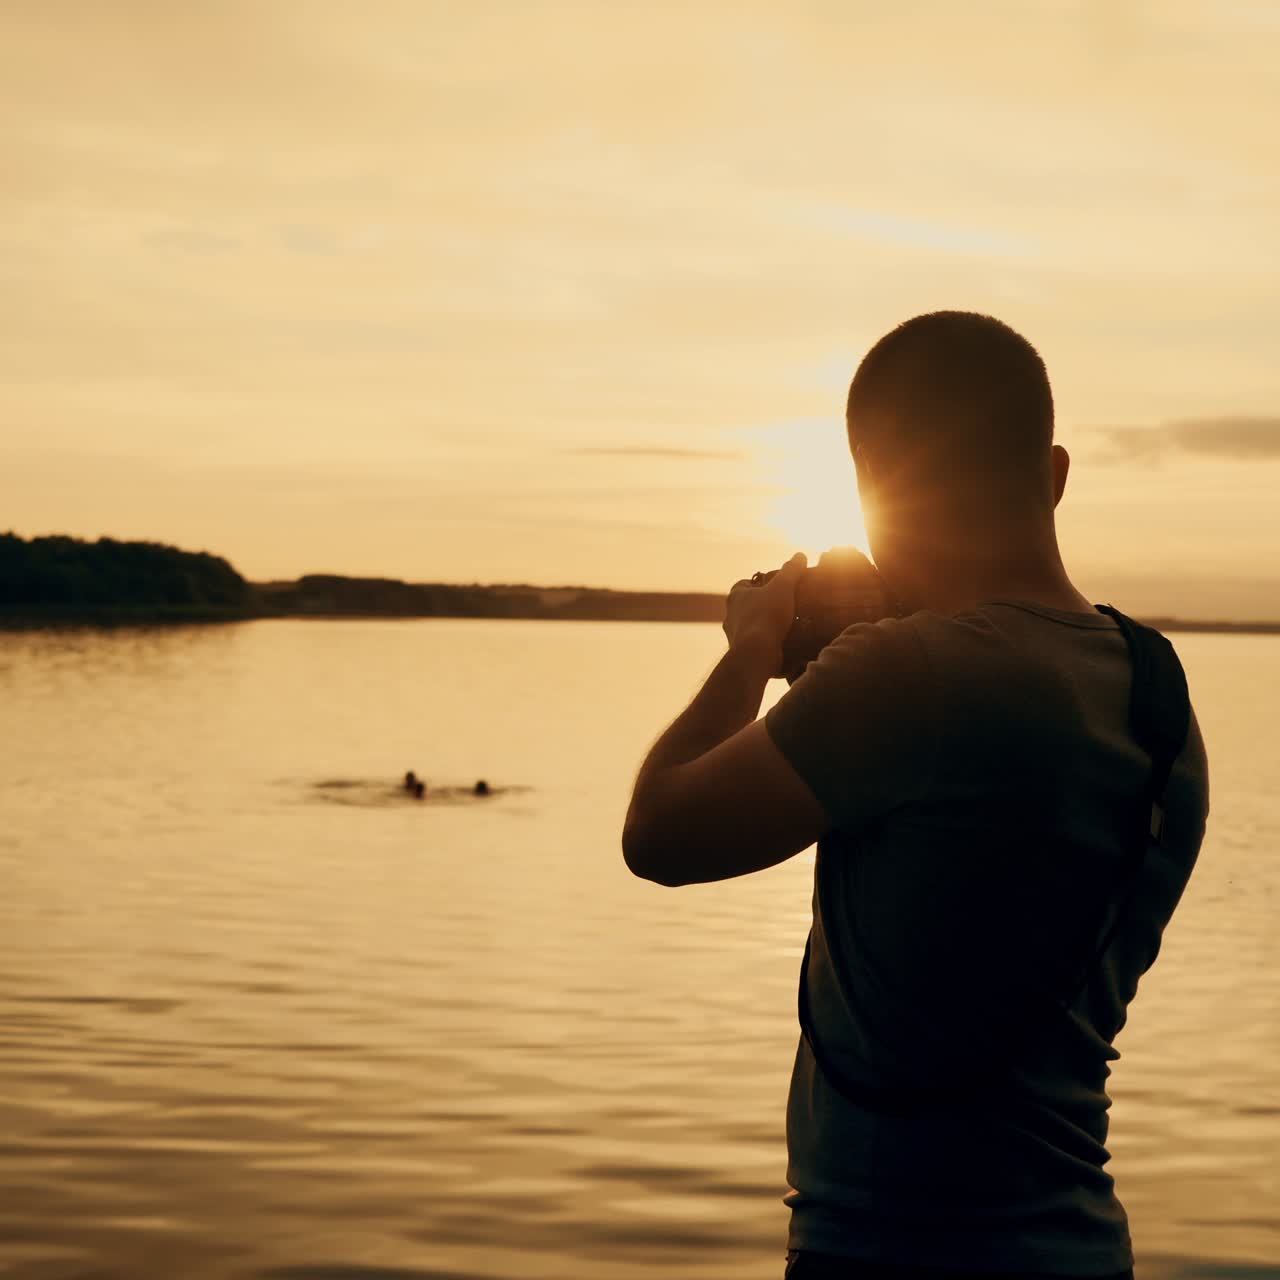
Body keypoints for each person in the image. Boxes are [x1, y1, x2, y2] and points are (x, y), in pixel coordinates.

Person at [621, 311, 1209, 1279]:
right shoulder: (1156, 687)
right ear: (1052, 472)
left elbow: (659, 833)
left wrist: (751, 650)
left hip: (889, 1249)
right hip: (1078, 1244)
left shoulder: (911, 673)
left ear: (871, 492)